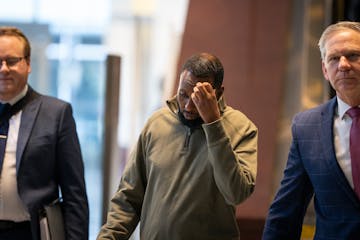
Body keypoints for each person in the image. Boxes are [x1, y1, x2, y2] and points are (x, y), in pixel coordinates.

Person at [97, 52, 258, 240]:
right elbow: (129, 198)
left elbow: (236, 193)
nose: (188, 107)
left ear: (218, 93)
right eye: (183, 95)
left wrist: (213, 124)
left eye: (198, 98)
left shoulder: (241, 128)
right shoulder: (157, 124)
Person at [262, 21, 360, 239]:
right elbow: (288, 208)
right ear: (325, 69)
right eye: (334, 58)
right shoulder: (307, 127)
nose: (343, 65)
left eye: (353, 55)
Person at [0, 26, 89, 239]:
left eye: (11, 61)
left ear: (28, 64)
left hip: (30, 233)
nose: (4, 69)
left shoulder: (56, 114)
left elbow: (74, 195)